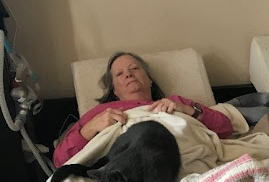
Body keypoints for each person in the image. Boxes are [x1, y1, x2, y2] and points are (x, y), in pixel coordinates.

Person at [52, 52, 233, 168]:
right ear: (114, 90)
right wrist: (91, 127)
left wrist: (187, 110)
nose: (128, 74)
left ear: (149, 79)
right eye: (119, 74)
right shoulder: (100, 113)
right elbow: (61, 160)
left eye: (134, 68)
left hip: (187, 161)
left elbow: (225, 128)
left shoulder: (176, 101)